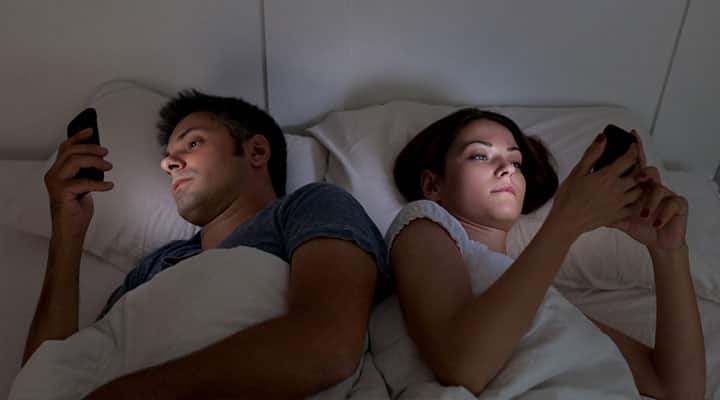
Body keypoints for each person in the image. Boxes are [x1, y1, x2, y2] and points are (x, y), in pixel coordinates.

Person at [21, 90, 390, 399]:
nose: (170, 163)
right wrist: (66, 233)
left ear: (257, 152)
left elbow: (328, 346)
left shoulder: (309, 207)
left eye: (193, 142)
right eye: (167, 160)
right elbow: (52, 372)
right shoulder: (154, 269)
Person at [383, 108, 705, 399]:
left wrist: (669, 252)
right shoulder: (422, 223)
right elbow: (464, 366)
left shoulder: (543, 299)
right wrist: (566, 222)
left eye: (516, 161)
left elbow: (678, 389)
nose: (506, 168)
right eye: (480, 156)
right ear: (431, 185)